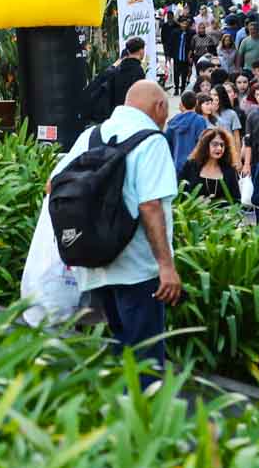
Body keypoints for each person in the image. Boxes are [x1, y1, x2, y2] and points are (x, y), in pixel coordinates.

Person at [62, 80, 182, 361]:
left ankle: (121, 404)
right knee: (146, 360)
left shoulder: (90, 136)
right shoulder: (152, 141)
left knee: (121, 352)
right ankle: (144, 404)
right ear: (160, 106)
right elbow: (151, 206)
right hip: (139, 269)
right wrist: (166, 266)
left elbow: (53, 186)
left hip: (96, 264)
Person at [179, 128, 241, 206]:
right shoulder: (191, 166)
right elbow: (181, 195)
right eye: (215, 144)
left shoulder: (230, 170)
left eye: (222, 145)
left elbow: (236, 200)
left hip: (223, 217)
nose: (219, 148)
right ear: (205, 145)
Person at [164, 91, 209, 169]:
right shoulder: (200, 120)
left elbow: (167, 143)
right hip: (194, 165)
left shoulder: (173, 121)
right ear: (197, 103)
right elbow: (203, 143)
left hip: (177, 164)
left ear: (182, 104)